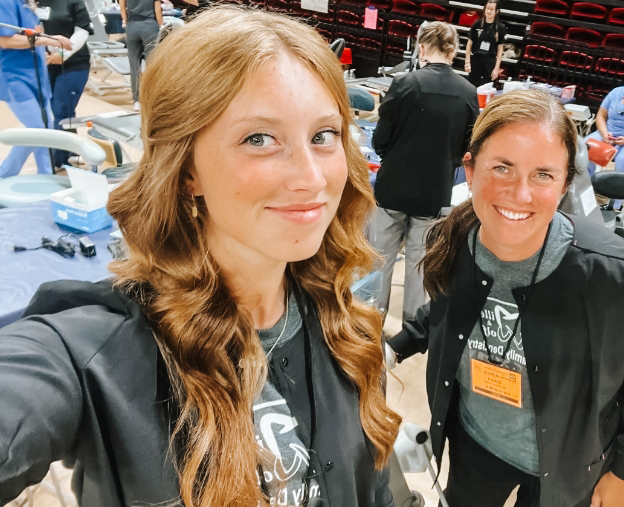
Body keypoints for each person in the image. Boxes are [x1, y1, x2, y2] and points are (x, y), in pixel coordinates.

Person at [0, 6, 399, 507]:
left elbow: (376, 485)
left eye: (324, 136)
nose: (312, 179)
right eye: (260, 139)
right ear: (186, 168)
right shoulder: (94, 353)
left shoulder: (350, 329)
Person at [386, 90, 624, 507]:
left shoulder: (618, 276)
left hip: (566, 461)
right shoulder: (456, 240)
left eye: (543, 174)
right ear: (469, 170)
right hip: (475, 442)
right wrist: (395, 347)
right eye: (502, 167)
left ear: (565, 182)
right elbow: (445, 309)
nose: (520, 193)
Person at [371, 21, 478, 324]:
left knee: (378, 260)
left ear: (421, 47)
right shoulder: (468, 93)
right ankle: (411, 329)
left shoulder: (404, 84)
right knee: (420, 265)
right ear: (453, 51)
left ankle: (368, 325)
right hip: (434, 192)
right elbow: (467, 147)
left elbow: (381, 137)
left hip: (393, 188)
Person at [0, 0, 69, 176]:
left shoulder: (28, 4)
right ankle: (5, 174)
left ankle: (46, 176)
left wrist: (48, 48)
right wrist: (49, 40)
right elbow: (6, 40)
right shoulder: (7, 2)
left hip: (37, 73)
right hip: (14, 75)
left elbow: (35, 33)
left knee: (46, 129)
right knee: (37, 129)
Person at [39, 0, 94, 168]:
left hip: (74, 64)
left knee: (61, 109)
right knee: (59, 110)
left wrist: (63, 54)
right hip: (47, 64)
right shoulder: (34, 3)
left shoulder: (73, 2)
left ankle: (57, 160)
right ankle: (73, 151)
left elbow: (82, 31)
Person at [120, 0, 161, 110]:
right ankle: (151, 98)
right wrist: (161, 25)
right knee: (151, 65)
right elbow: (157, 9)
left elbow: (122, 7)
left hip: (132, 26)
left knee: (134, 66)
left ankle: (137, 101)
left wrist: (125, 21)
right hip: (150, 25)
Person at [464, 0, 505, 88]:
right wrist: (467, 62)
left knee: (487, 87)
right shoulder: (477, 24)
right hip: (476, 59)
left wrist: (496, 68)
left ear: (496, 11)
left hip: (490, 60)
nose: (489, 11)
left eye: (492, 9)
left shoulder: (500, 28)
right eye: (487, 8)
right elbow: (469, 43)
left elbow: (500, 49)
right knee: (472, 85)